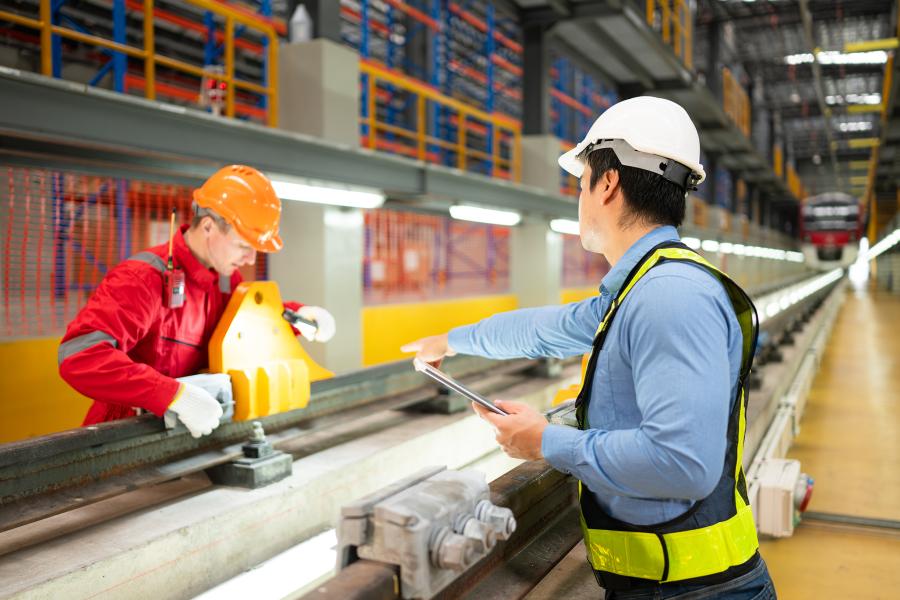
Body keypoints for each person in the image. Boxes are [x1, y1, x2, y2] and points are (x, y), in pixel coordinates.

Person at [402, 97, 777, 598]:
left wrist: (544, 442)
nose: (577, 200)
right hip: (668, 586)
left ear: (608, 183)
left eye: (580, 185)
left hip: (697, 591)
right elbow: (548, 328)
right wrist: (452, 341)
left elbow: (683, 462)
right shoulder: (640, 288)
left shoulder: (670, 296)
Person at [58, 165, 335, 438]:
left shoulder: (226, 279)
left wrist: (300, 316)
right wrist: (171, 395)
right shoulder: (142, 279)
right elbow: (81, 356)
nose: (251, 259)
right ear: (208, 226)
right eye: (243, 246)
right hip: (126, 435)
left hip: (187, 435)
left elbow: (249, 323)